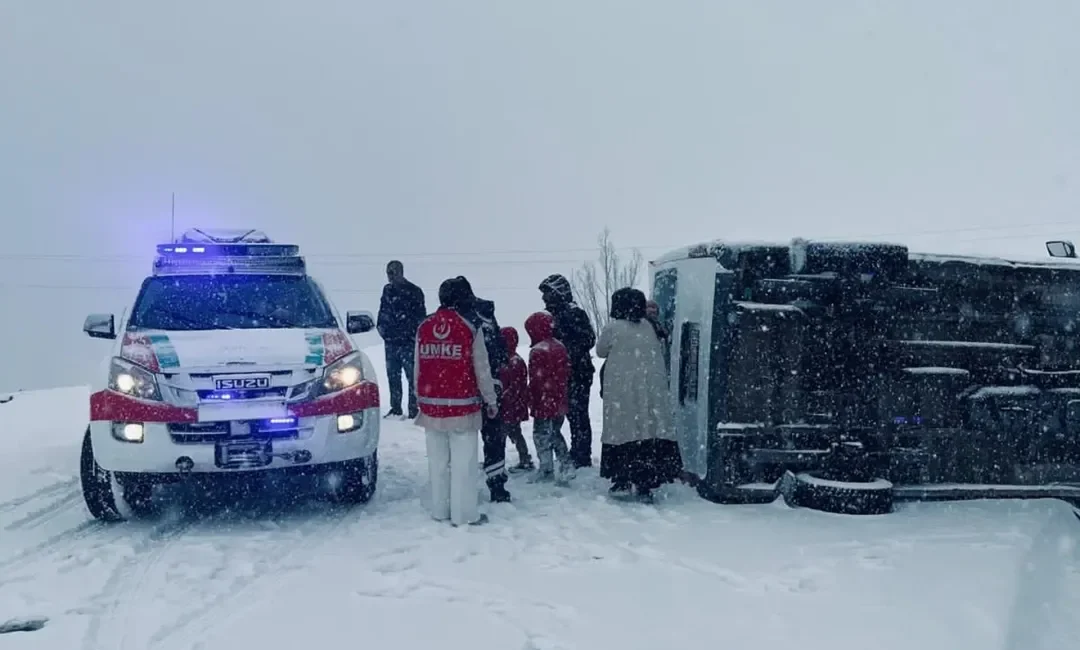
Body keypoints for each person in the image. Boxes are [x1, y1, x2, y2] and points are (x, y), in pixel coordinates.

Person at [414, 277, 499, 527]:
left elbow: (417, 366)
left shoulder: (424, 327)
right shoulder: (470, 327)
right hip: (462, 407)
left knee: (438, 464)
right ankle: (464, 515)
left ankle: (440, 510)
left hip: (431, 407)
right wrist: (490, 400)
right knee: (464, 465)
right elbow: (481, 369)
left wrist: (419, 398)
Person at [596, 288, 682, 502]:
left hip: (622, 393)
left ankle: (622, 479)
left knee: (623, 432)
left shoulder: (613, 328)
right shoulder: (649, 327)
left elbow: (600, 351)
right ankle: (645, 483)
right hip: (650, 392)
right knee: (646, 431)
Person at [454, 277, 513, 503]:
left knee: (461, 439)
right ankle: (497, 486)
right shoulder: (486, 314)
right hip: (492, 384)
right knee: (494, 439)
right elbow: (499, 350)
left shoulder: (456, 320)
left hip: (463, 390)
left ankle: (461, 487)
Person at [538, 274, 596, 468]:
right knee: (563, 415)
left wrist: (566, 350)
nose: (544, 299)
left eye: (548, 294)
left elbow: (588, 340)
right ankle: (574, 452)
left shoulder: (574, 313)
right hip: (560, 374)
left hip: (577, 373)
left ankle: (581, 455)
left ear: (559, 293)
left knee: (578, 415)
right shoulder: (551, 316)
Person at [524, 311, 574, 484]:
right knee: (555, 433)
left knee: (541, 435)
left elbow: (536, 379)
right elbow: (566, 372)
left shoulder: (538, 351)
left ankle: (546, 468)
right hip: (560, 398)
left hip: (543, 400)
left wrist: (532, 397)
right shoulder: (560, 346)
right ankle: (566, 464)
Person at [376, 260, 427, 419]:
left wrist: (411, 336)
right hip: (391, 342)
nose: (390, 276)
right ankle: (395, 408)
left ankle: (413, 409)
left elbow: (420, 318)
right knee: (393, 376)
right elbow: (382, 312)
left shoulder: (414, 291)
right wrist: (383, 331)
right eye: (388, 273)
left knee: (412, 376)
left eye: (393, 272)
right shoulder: (387, 291)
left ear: (400, 272)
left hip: (408, 342)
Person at [498, 326, 534, 472]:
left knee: (504, 434)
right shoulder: (511, 359)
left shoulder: (513, 361)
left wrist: (503, 398)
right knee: (514, 433)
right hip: (513, 405)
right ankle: (524, 458)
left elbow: (515, 386)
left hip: (510, 406)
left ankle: (498, 460)